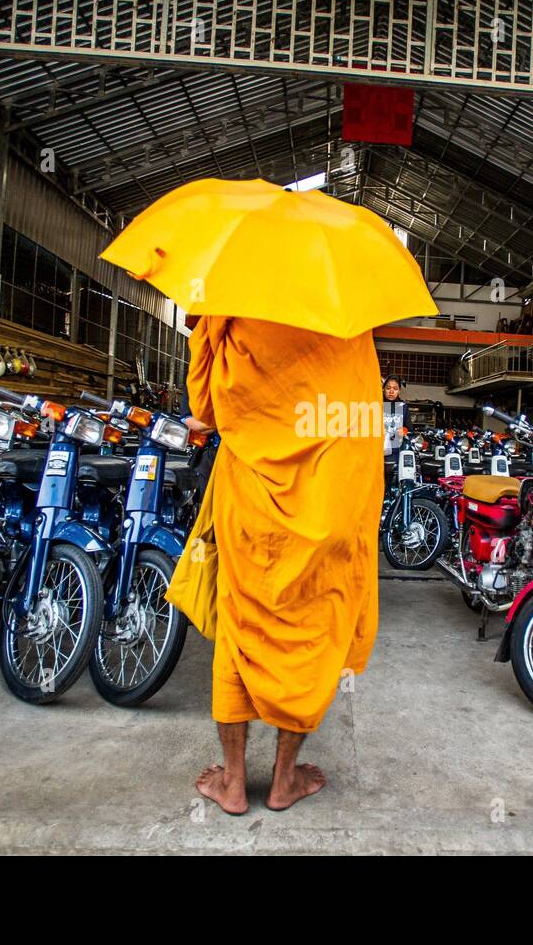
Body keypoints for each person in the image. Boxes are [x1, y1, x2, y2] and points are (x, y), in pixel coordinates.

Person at [178, 314, 382, 814]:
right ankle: (284, 779)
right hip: (328, 501)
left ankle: (231, 781)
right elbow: (361, 421)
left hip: (250, 498)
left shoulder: (232, 302)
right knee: (313, 631)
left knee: (239, 630)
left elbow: (205, 405)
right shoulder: (348, 319)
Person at [382, 375, 411, 478]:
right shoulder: (377, 404)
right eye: (388, 388)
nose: (391, 391)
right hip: (376, 452)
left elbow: (409, 428)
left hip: (395, 451)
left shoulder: (402, 406)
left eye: (395, 389)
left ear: (399, 391)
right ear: (383, 389)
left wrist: (403, 430)